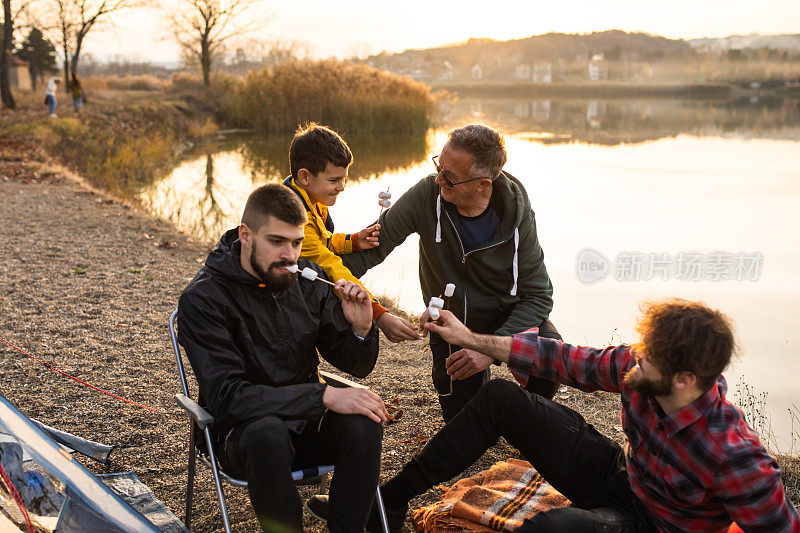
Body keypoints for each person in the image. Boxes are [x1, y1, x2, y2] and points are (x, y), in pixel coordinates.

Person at [351, 299, 800, 532]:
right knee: (503, 399)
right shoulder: (638, 368)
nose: (634, 358)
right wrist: (472, 337)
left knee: (551, 530)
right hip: (621, 478)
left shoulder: (736, 458)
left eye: (649, 356)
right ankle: (388, 499)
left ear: (685, 379)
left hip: (655, 527)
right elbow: (562, 359)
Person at [178, 183, 388, 532]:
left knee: (366, 418)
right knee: (267, 433)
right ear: (246, 235)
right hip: (242, 435)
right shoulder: (204, 299)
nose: (290, 255)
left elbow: (357, 366)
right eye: (277, 242)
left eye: (297, 242)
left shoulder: (307, 281)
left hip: (305, 422)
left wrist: (361, 329)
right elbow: (227, 398)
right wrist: (322, 395)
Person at [343, 124, 560, 421]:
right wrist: (312, 268)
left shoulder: (516, 212)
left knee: (549, 354)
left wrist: (491, 349)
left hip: (505, 315)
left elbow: (538, 295)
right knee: (463, 420)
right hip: (450, 320)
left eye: (451, 177)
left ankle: (521, 413)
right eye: (439, 166)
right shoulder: (425, 195)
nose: (438, 179)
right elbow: (369, 252)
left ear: (483, 184)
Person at [282, 123, 419, 345]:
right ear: (305, 176)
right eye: (334, 180)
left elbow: (321, 240)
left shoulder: (309, 196)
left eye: (344, 178)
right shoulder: (295, 220)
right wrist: (379, 314)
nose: (342, 187)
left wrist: (353, 241)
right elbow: (329, 265)